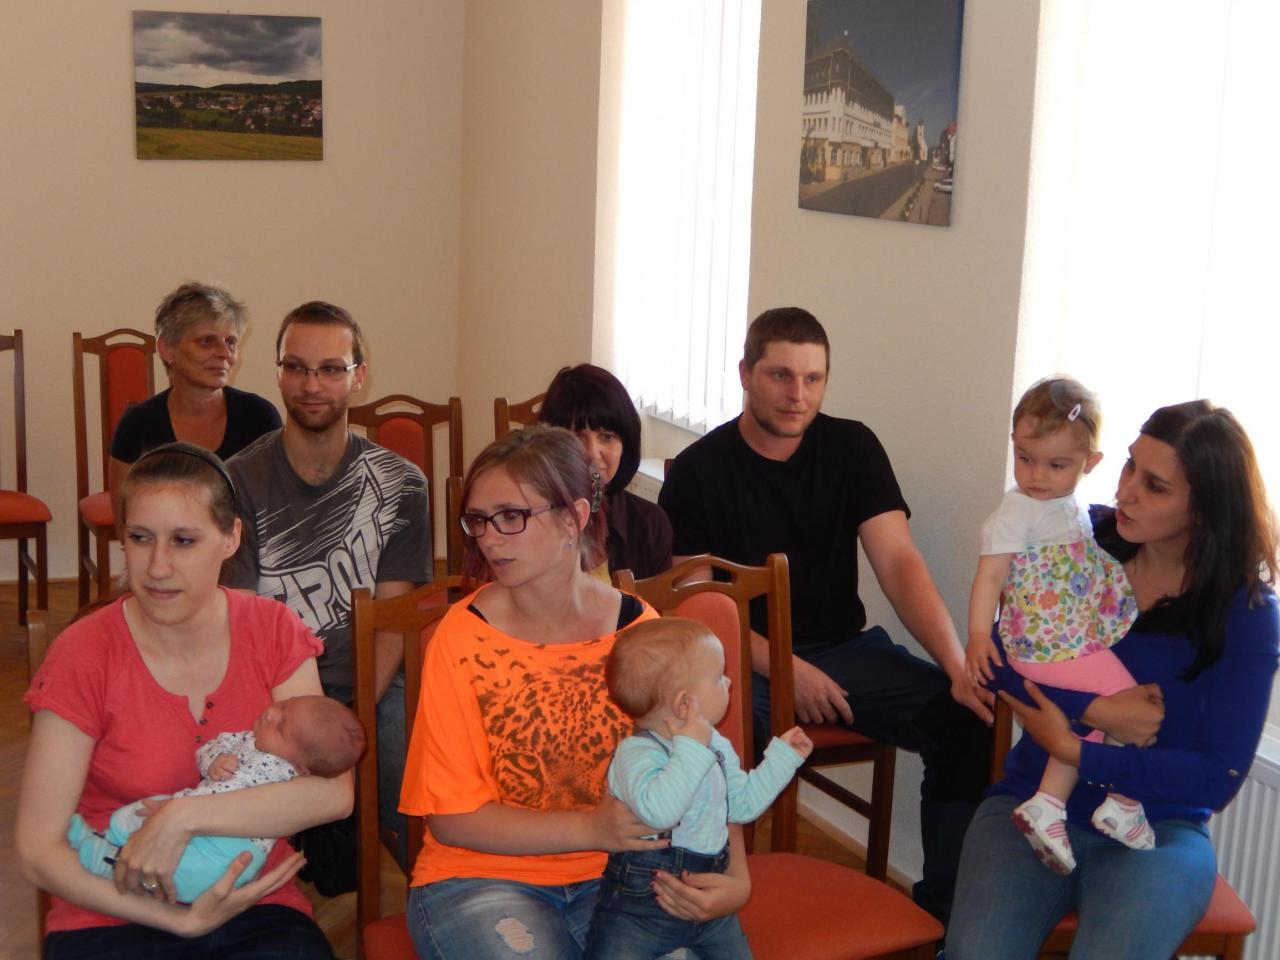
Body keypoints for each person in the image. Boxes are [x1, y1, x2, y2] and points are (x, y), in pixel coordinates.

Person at [658, 306, 992, 924]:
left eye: (814, 379)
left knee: (969, 720)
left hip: (846, 654)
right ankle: (703, 912)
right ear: (745, 374)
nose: (798, 395)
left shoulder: (853, 447)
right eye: (781, 376)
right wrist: (786, 670)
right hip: (741, 664)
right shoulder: (699, 470)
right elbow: (699, 610)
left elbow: (899, 563)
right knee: (702, 750)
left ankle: (947, 918)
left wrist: (956, 666)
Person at [400, 426, 753, 960]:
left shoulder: (639, 630)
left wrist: (737, 879)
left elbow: (704, 758)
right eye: (478, 520)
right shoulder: (461, 637)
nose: (489, 538)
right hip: (479, 878)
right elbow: (452, 818)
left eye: (511, 516)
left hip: (627, 875)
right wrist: (591, 828)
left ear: (574, 517)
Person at [946, 400, 1280, 960]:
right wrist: (1094, 711)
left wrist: (1075, 749)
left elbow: (1216, 776)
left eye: (1155, 486)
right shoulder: (1082, 535)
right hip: (1030, 803)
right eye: (1129, 467)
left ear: (1205, 508)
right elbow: (998, 657)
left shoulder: (1246, 612)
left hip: (1157, 829)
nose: (1125, 493)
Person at [16, 442, 350, 959]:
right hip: (111, 904)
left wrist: (181, 816)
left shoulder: (272, 629)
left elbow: (332, 794)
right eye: (140, 538)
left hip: (251, 903)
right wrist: (180, 921)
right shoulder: (84, 653)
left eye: (184, 540)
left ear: (230, 537)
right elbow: (38, 847)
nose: (157, 566)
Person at [224, 300, 431, 876]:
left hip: (369, 680)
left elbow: (394, 617)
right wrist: (292, 718)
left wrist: (355, 708)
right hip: (273, 689)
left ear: (358, 376)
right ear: (278, 372)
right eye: (296, 367)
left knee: (409, 783)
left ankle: (423, 887)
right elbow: (240, 618)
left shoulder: (401, 484)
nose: (312, 385)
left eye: (331, 369)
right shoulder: (238, 481)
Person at [965, 377, 1147, 874]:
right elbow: (989, 576)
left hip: (1066, 638)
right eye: (1025, 458)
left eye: (1055, 464)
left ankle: (1050, 804)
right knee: (1129, 704)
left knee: (1094, 718)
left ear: (1091, 463)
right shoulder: (1017, 511)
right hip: (1046, 645)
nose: (1036, 476)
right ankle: (1121, 803)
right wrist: (978, 635)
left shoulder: (1067, 506)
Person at [585, 617, 813, 959]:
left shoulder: (715, 745)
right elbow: (660, 812)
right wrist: (691, 746)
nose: (729, 682)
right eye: (718, 676)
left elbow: (742, 807)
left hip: (711, 908)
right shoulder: (635, 754)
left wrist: (782, 760)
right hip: (638, 914)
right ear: (684, 704)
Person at [68, 695, 365, 903]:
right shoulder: (244, 739)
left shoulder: (293, 777)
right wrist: (213, 760)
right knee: (136, 812)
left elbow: (316, 803)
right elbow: (208, 748)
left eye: (281, 727)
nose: (271, 713)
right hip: (184, 806)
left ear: (301, 766)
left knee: (197, 876)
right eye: (283, 705)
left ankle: (108, 863)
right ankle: (110, 838)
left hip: (233, 847)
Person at [108, 282, 282, 524]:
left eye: (231, 342)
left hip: (243, 547)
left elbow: (273, 515)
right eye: (207, 341)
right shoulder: (138, 424)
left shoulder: (259, 417)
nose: (224, 353)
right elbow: (126, 523)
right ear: (167, 349)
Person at [537, 362, 673, 579]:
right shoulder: (530, 520)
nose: (592, 453)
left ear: (625, 445)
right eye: (577, 437)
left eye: (607, 437)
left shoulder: (650, 525)